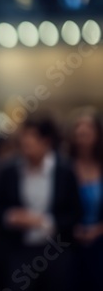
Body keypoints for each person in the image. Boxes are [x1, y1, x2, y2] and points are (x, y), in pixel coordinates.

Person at [0, 114, 81, 291]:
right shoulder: (9, 170)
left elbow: (75, 213)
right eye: (24, 136)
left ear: (46, 141)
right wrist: (11, 217)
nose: (26, 142)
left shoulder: (64, 171)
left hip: (55, 251)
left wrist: (43, 221)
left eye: (32, 137)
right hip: (19, 251)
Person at [67, 109, 103, 291]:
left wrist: (98, 230)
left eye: (88, 127)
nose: (82, 132)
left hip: (100, 242)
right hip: (68, 243)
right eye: (78, 127)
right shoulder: (64, 166)